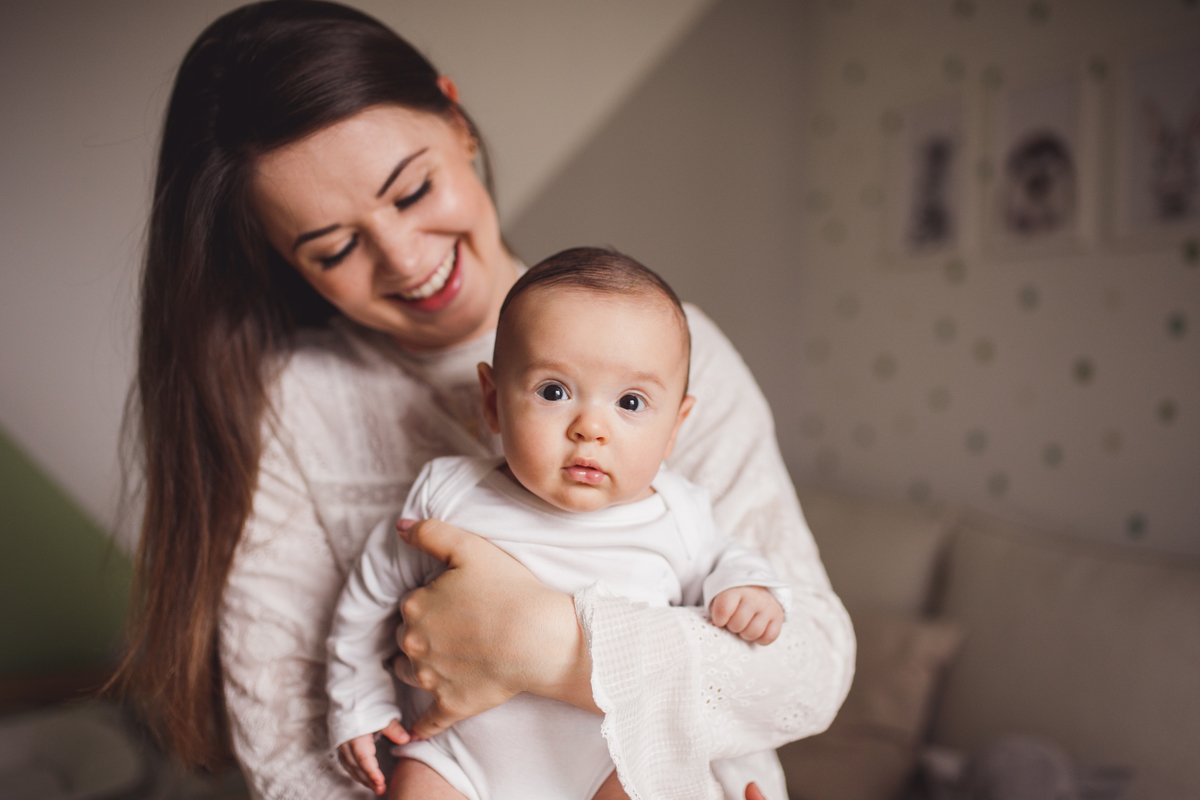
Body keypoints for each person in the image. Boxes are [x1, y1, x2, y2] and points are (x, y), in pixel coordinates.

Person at [117, 2, 855, 799]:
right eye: (335, 248)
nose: (404, 260)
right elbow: (296, 753)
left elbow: (806, 671)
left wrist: (550, 646)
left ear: (457, 120)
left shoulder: (672, 356)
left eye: (412, 190)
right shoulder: (286, 411)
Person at [328, 249, 791, 800]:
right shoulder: (450, 496)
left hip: (611, 761)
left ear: (675, 429)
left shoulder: (680, 515)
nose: (590, 428)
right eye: (554, 391)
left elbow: (725, 562)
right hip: (459, 760)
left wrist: (744, 587)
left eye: (631, 401)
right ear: (494, 402)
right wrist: (357, 701)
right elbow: (367, 596)